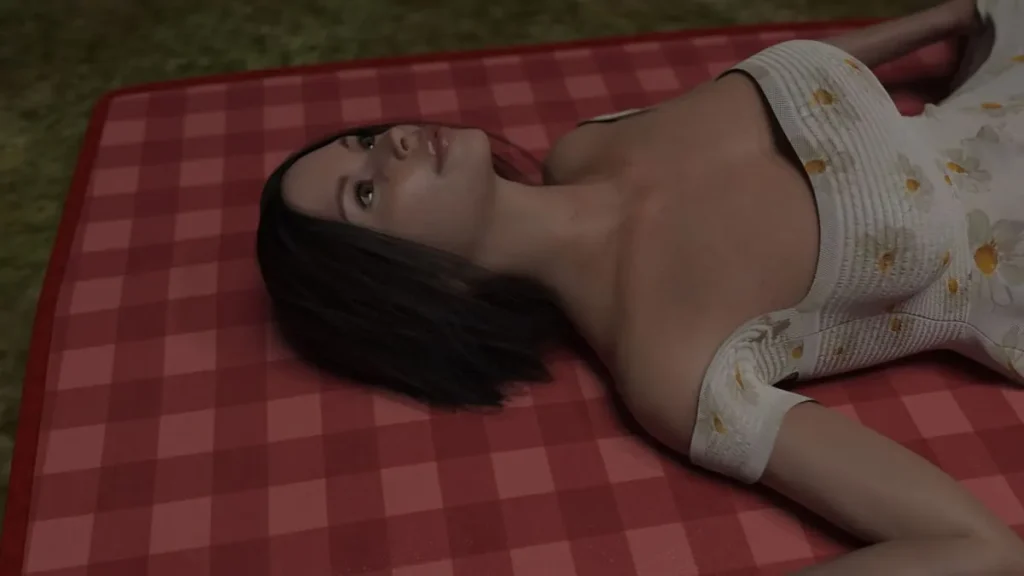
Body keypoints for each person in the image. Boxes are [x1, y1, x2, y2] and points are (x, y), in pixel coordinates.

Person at [257, 0, 1024, 572]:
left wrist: (956, 14)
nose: (390, 142)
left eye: (362, 140)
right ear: (412, 288)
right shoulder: (669, 364)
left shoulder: (588, 144)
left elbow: (795, 84)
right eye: (365, 192)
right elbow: (974, 546)